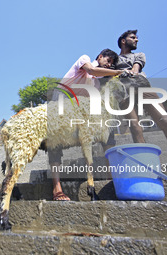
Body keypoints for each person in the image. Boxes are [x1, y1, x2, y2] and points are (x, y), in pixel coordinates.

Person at [116, 29, 167, 176]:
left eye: (136, 38)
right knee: (135, 127)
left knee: (165, 120)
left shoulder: (139, 55)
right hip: (124, 92)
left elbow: (137, 66)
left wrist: (132, 71)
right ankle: (148, 171)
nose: (136, 40)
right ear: (123, 40)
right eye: (133, 38)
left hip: (142, 86)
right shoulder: (114, 58)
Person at [50, 49, 125, 201]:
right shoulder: (85, 59)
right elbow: (92, 70)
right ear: (100, 57)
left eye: (111, 64)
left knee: (107, 132)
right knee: (54, 141)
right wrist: (117, 72)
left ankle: (111, 181)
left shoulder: (96, 84)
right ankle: (56, 188)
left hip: (77, 108)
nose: (109, 65)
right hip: (61, 100)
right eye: (108, 61)